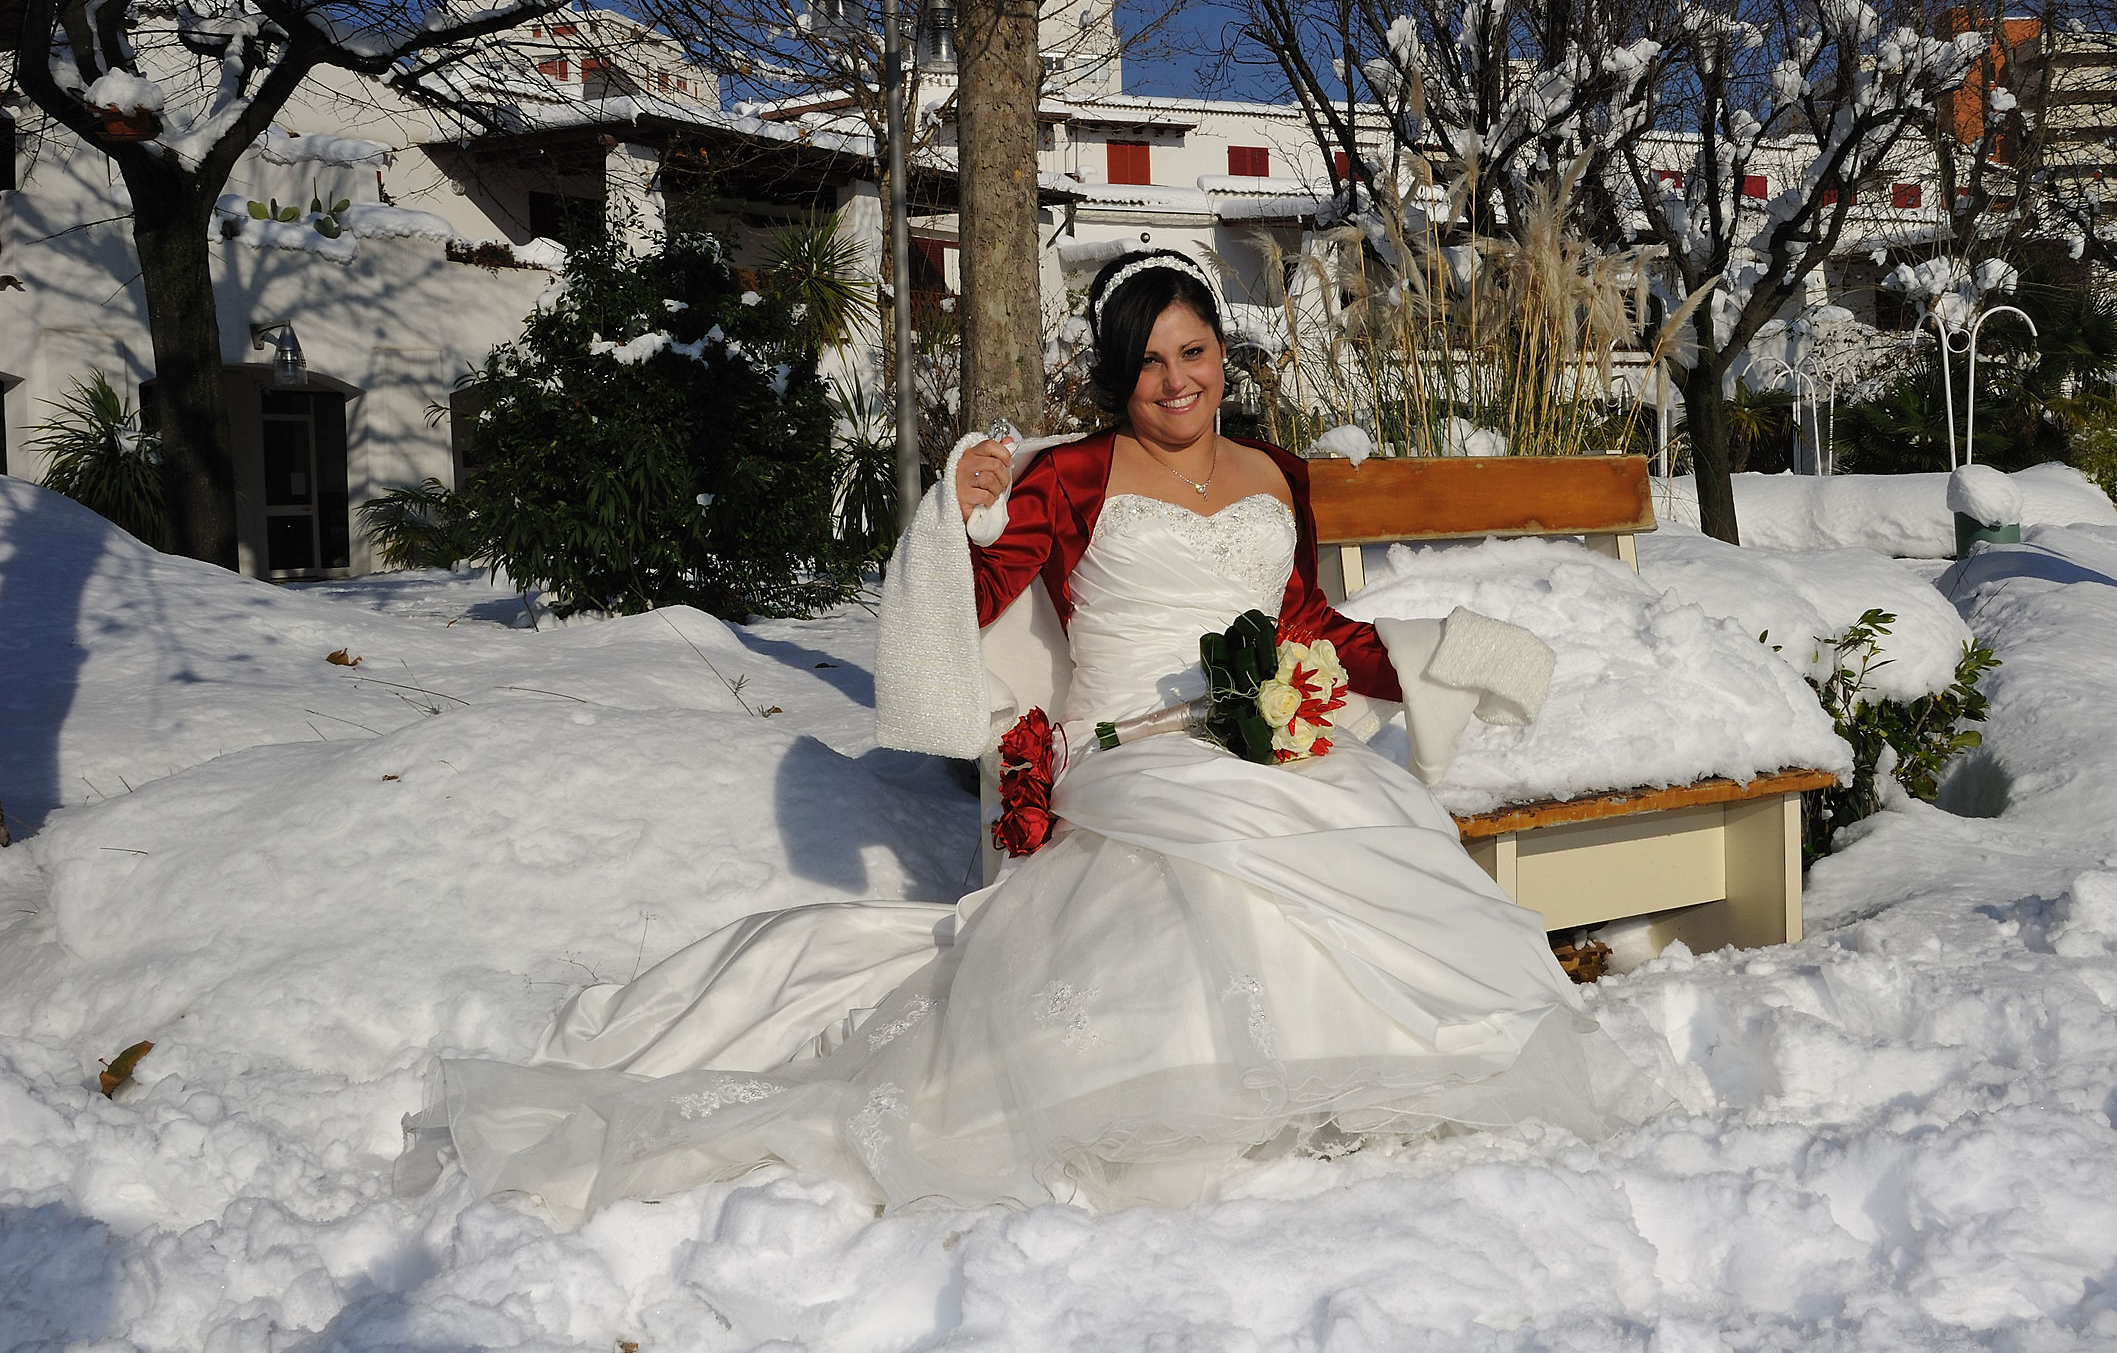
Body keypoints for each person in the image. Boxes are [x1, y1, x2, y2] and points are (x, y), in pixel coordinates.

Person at [407, 249, 1659, 1224]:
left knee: (1359, 819)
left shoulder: (1279, 474)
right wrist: (957, 516)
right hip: (1132, 750)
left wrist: (1438, 650)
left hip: (1266, 739)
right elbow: (979, 601)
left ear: (1223, 353)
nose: (1177, 380)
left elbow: (1305, 623)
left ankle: (1360, 1080)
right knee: (1222, 853)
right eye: (1148, 362)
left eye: (1194, 350)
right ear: (1116, 378)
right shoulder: (1073, 476)